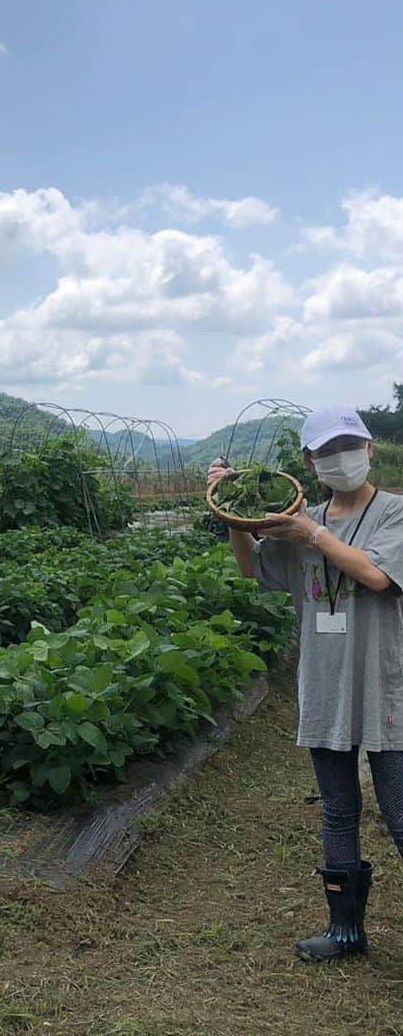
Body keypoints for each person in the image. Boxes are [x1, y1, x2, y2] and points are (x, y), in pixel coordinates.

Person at [208, 406, 403, 962]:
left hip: (387, 683)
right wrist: (233, 515)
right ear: (310, 463)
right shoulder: (300, 520)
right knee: (338, 808)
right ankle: (346, 931)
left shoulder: (394, 514)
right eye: (327, 450)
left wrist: (313, 533)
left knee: (400, 811)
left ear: (369, 450)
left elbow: (374, 575)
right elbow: (253, 570)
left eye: (351, 445)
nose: (341, 457)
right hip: (324, 684)